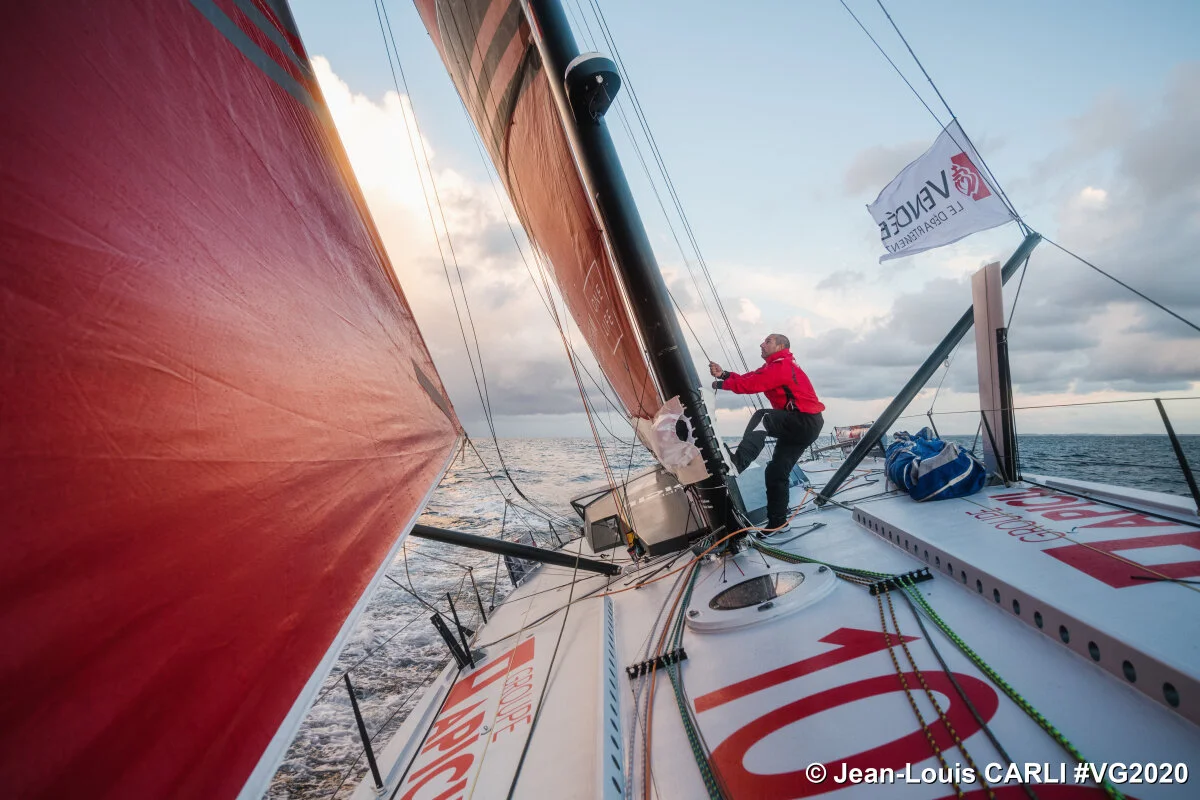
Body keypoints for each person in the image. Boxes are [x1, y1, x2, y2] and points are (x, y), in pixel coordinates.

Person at [710, 334, 824, 532]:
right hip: (800, 424)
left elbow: (751, 386)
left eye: (768, 341)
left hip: (804, 421)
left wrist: (719, 385)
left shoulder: (782, 366)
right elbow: (749, 378)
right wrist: (724, 375)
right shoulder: (773, 366)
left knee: (763, 417)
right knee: (776, 472)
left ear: (781, 346)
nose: (762, 343)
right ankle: (777, 524)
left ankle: (739, 462)